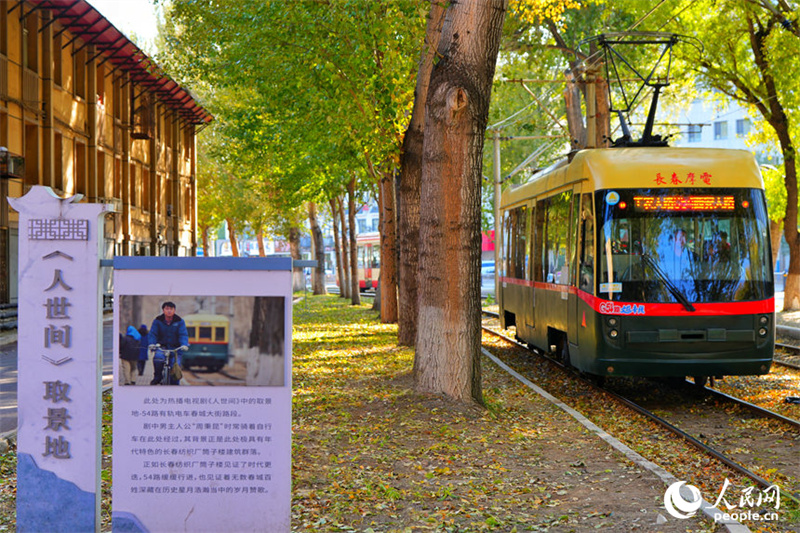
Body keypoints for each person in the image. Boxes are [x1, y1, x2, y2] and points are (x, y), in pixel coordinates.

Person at [147, 301, 189, 385]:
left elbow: (183, 334)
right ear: (163, 310)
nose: (169, 311)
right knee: (158, 359)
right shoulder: (157, 321)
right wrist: (152, 343)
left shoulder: (180, 321)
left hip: (175, 349)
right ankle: (158, 376)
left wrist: (184, 344)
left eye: (171, 309)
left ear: (174, 310)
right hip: (161, 347)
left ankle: (174, 385)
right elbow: (153, 334)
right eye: (167, 309)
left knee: (175, 367)